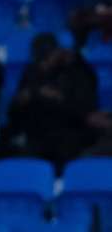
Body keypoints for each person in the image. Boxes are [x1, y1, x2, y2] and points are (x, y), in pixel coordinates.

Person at [6, 33, 98, 170]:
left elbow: (85, 111)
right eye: (41, 58)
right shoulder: (32, 71)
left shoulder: (77, 71)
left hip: (69, 132)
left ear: (58, 52)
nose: (45, 62)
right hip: (36, 135)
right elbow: (14, 110)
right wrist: (30, 96)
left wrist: (58, 98)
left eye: (48, 56)